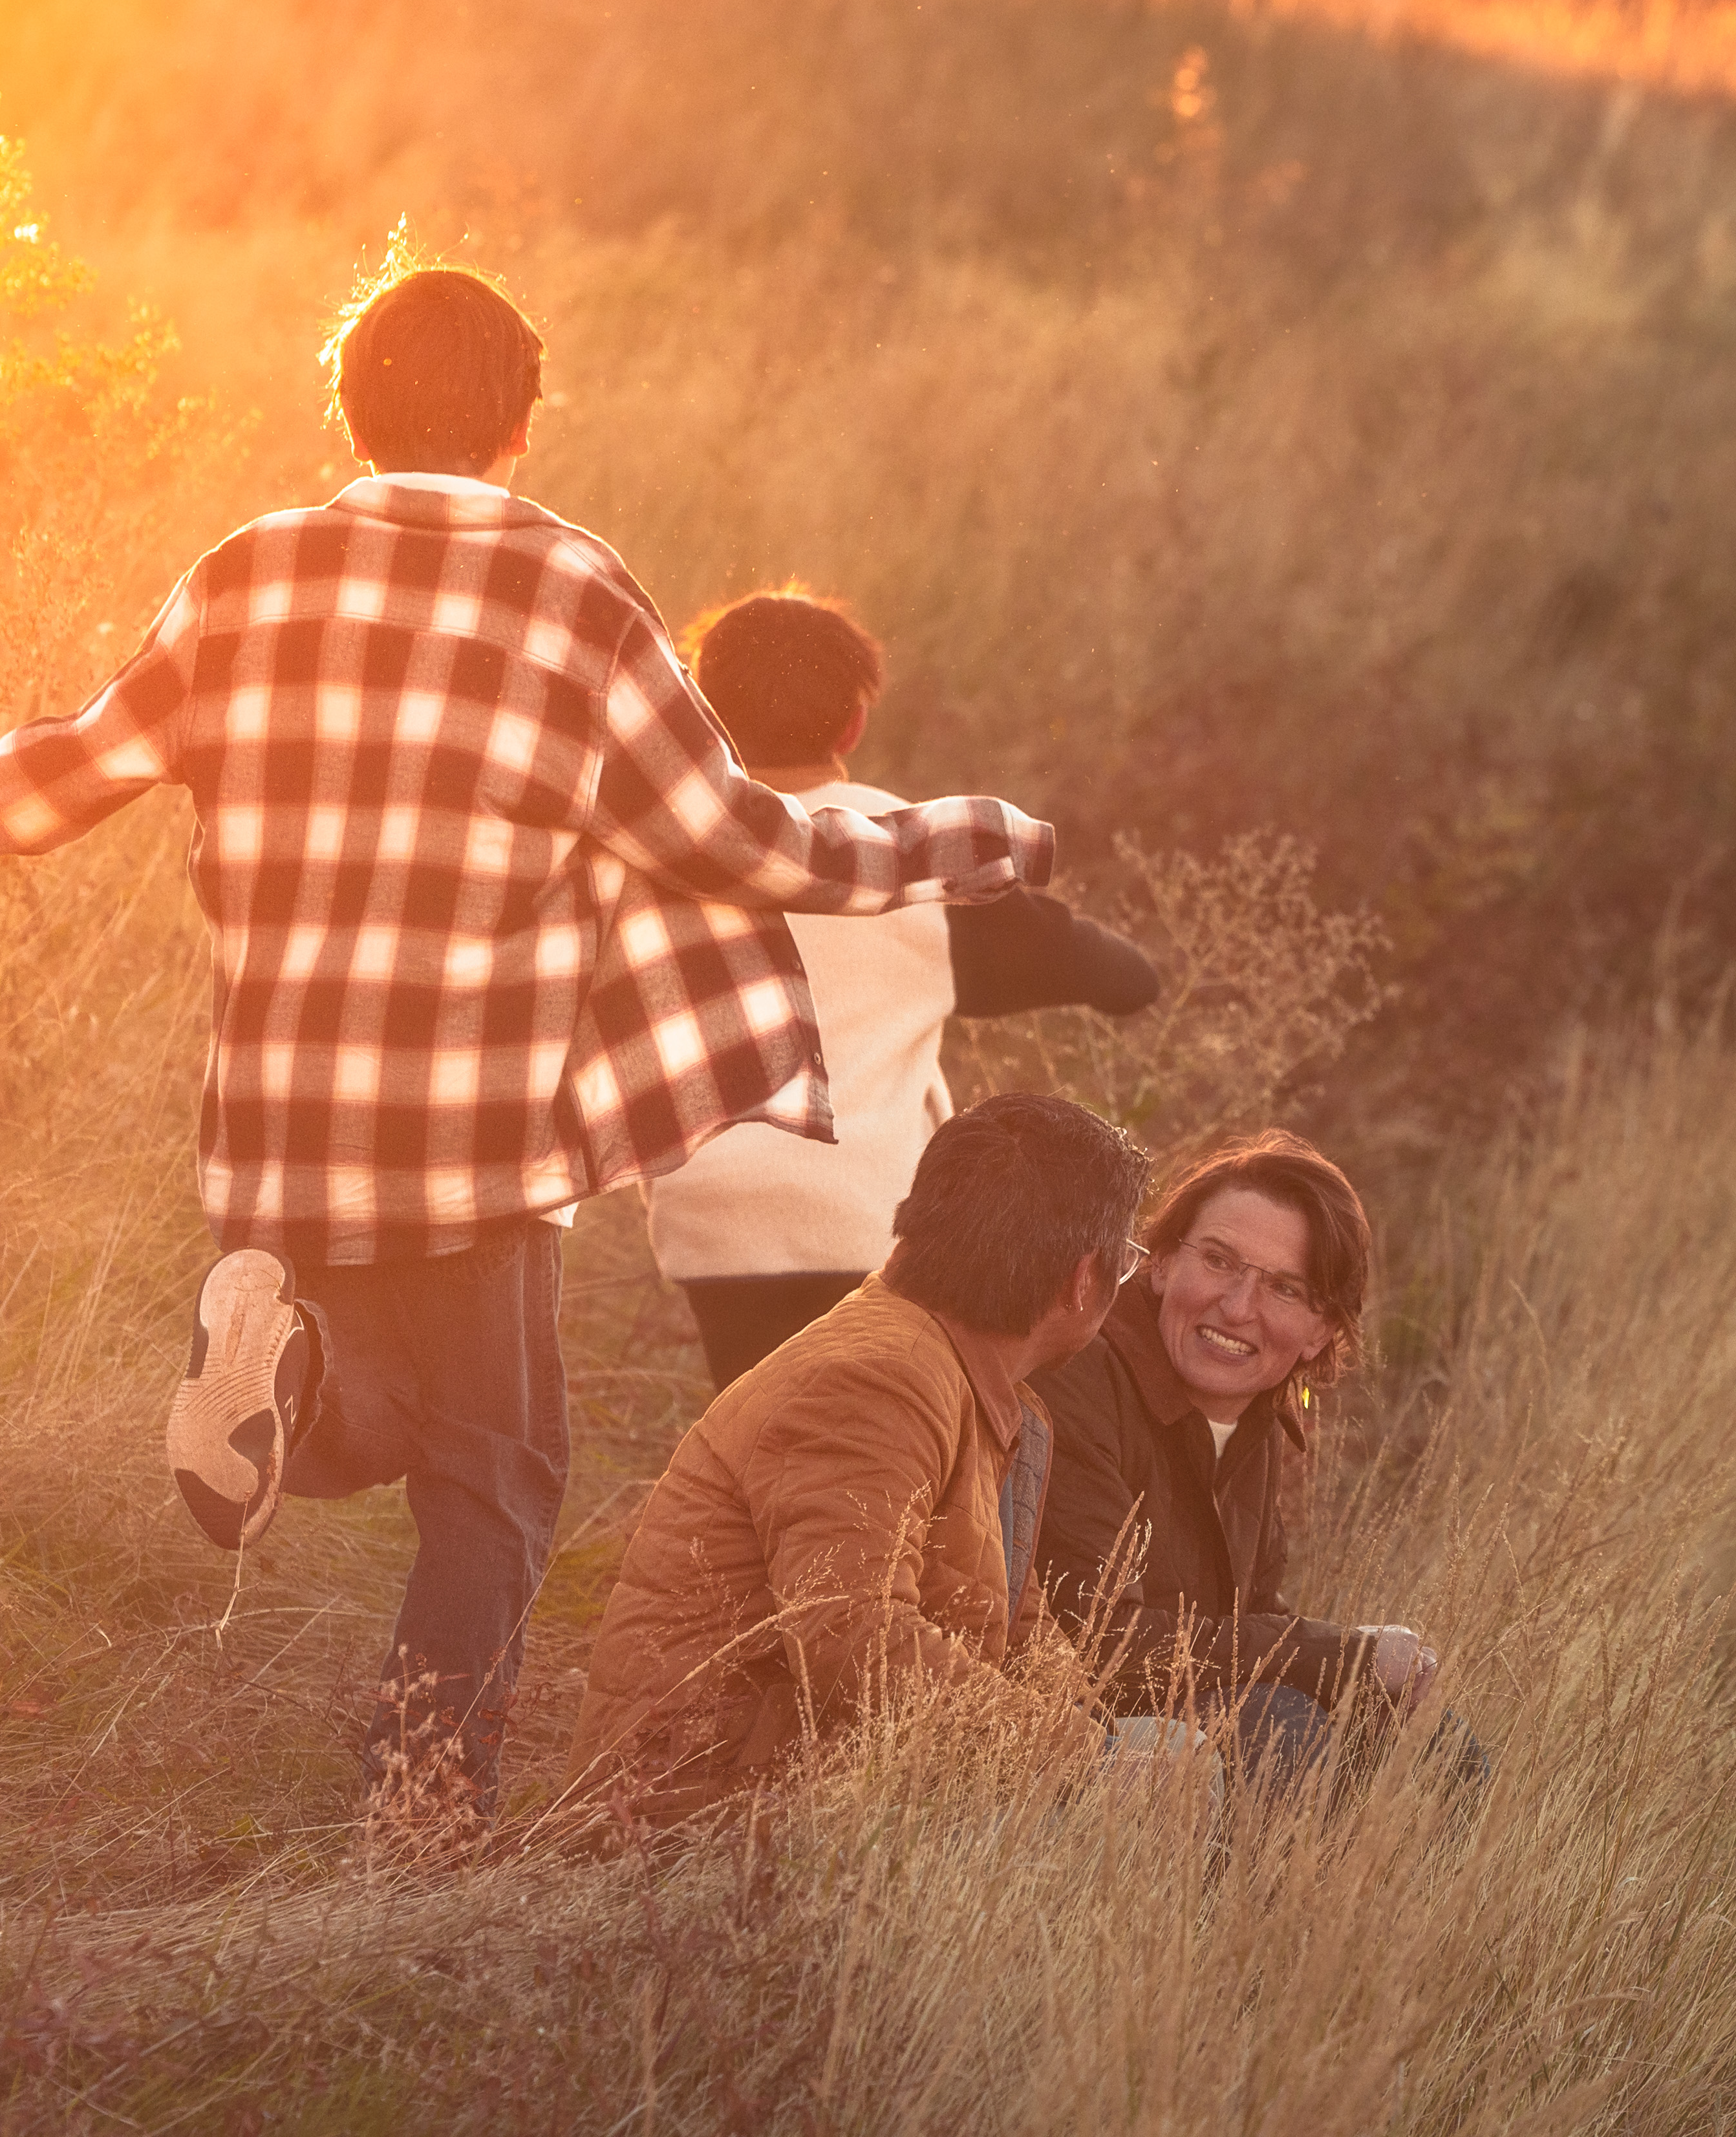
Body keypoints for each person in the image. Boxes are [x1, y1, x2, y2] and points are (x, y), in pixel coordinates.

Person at [0, 265, 1062, 1827]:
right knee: (494, 1478)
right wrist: (976, 839)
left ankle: (286, 1346)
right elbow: (747, 842)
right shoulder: (572, 591)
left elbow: (81, 766)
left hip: (276, 1112)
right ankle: (422, 1815)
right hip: (477, 1135)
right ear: (520, 427)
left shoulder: (248, 573)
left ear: (344, 410)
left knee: (360, 1421)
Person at [562, 1091, 1148, 1827]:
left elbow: (1017, 1628)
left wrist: (1095, 1738)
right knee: (1173, 1779)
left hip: (813, 1794)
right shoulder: (878, 1379)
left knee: (1173, 1763)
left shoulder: (972, 1385)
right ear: (1083, 1279)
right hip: (707, 1831)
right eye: (1127, 1265)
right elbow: (852, 1637)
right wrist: (1084, 1763)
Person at [644, 588, 1159, 1396]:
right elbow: (1126, 980)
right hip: (871, 1219)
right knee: (878, 1457)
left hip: (715, 1217)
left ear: (702, 713)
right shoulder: (911, 856)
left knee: (760, 1444)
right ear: (852, 725)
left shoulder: (667, 851)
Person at [1034, 1132, 1475, 1792]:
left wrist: (1354, 1668)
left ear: (1322, 1329)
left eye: (1285, 1290)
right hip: (1068, 1728)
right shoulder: (1080, 1377)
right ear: (1158, 1261)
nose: (1238, 1308)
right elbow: (1106, 1649)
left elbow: (1247, 1614)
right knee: (1281, 1732)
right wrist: (1343, 1655)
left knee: (1437, 1750)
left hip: (1180, 1704)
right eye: (1217, 1260)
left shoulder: (1256, 1410)